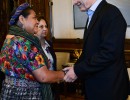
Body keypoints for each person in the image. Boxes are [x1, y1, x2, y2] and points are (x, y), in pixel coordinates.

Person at [63, 0, 129, 100]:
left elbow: (108, 53)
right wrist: (75, 68)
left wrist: (77, 70)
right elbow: (89, 52)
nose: (74, 2)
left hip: (109, 90)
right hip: (96, 87)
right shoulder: (94, 14)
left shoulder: (111, 13)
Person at [0, 3, 64, 100]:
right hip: (26, 94)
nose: (37, 22)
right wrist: (65, 74)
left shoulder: (9, 39)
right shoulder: (24, 43)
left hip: (8, 92)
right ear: (22, 19)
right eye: (34, 18)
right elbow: (43, 76)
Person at [36, 16, 60, 100]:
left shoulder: (49, 44)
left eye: (46, 26)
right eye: (41, 27)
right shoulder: (33, 46)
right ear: (35, 28)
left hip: (53, 83)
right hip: (40, 86)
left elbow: (53, 64)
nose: (45, 29)